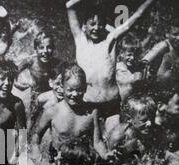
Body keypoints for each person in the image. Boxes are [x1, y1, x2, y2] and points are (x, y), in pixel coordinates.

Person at [31, 63, 112, 165]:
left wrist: (105, 155)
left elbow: (97, 142)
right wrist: (35, 150)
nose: (75, 94)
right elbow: (36, 134)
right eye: (70, 90)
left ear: (85, 89)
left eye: (79, 90)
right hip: (59, 164)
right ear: (61, 87)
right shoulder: (52, 111)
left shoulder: (91, 113)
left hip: (84, 163)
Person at [66, 0, 156, 131]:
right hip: (87, 105)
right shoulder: (80, 40)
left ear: (105, 26)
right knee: (88, 143)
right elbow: (69, 6)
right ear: (84, 25)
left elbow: (137, 16)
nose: (96, 28)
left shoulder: (111, 41)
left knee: (113, 142)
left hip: (111, 106)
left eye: (100, 24)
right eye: (92, 24)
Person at [13, 30, 61, 118]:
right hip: (35, 95)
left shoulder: (57, 64)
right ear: (36, 49)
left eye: (49, 47)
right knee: (32, 116)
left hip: (48, 94)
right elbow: (13, 72)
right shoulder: (31, 61)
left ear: (53, 48)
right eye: (41, 47)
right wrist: (18, 85)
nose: (45, 51)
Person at [116, 32, 170, 102]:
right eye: (129, 55)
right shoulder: (119, 67)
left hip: (131, 99)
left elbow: (145, 62)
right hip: (122, 101)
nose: (132, 58)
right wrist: (133, 78)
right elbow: (124, 79)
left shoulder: (133, 65)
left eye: (135, 55)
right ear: (121, 53)